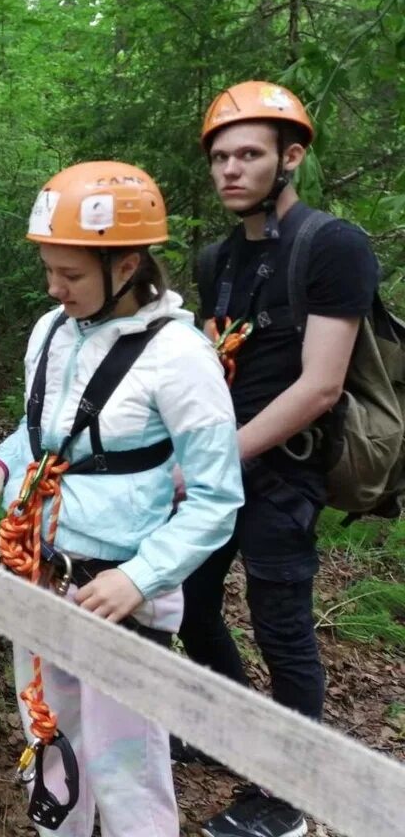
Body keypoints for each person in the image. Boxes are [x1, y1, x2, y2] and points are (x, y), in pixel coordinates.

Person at [0, 161, 242, 837]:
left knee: (127, 771)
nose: (56, 288)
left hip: (120, 595)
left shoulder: (179, 358)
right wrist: (1, 465)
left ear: (129, 264)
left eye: (72, 275)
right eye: (50, 271)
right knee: (50, 746)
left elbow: (216, 499)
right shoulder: (52, 331)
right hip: (41, 576)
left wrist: (136, 580)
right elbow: (48, 433)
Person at [182, 82, 379, 837]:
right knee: (192, 603)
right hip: (216, 469)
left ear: (290, 158)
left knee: (282, 626)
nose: (231, 170)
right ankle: (229, 731)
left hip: (283, 472)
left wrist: (218, 456)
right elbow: (205, 368)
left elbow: (321, 385)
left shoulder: (331, 246)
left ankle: (286, 794)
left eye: (250, 155)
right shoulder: (218, 260)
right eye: (221, 158)